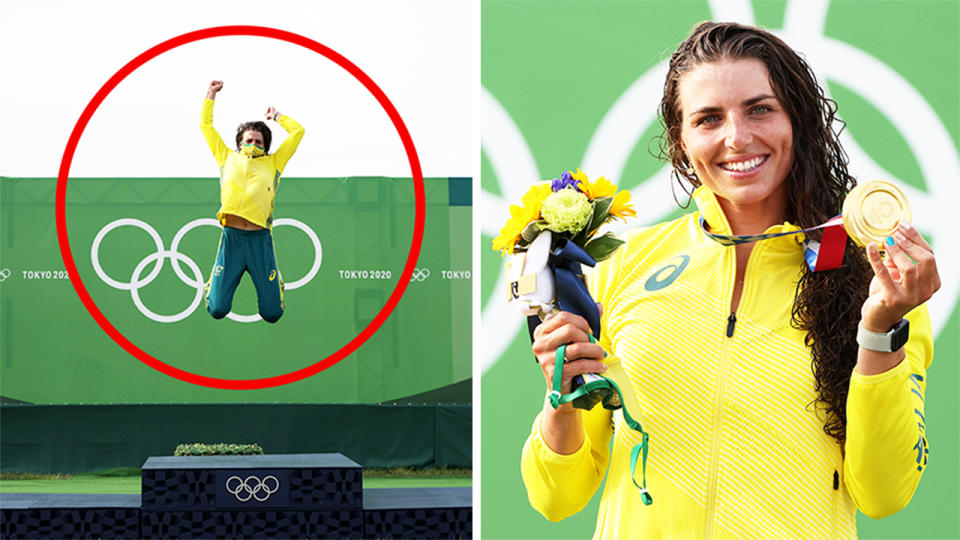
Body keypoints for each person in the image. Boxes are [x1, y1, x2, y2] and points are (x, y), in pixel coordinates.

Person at [521, 22, 940, 538]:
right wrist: (560, 395)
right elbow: (555, 497)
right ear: (682, 140)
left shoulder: (875, 281)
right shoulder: (625, 266)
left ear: (798, 121)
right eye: (708, 118)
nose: (736, 137)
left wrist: (879, 331)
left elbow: (884, 493)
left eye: (760, 108)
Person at [200, 79, 305, 323]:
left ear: (266, 146)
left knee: (272, 313)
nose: (253, 144)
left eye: (258, 141)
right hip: (232, 238)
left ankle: (276, 283)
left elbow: (298, 132)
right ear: (239, 143)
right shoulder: (226, 157)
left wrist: (277, 116)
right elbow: (205, 126)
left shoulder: (274, 162)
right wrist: (210, 95)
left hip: (260, 240)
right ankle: (211, 287)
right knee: (217, 310)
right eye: (248, 140)